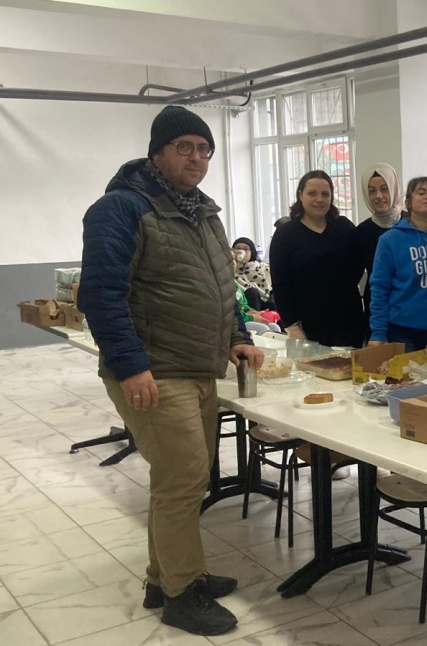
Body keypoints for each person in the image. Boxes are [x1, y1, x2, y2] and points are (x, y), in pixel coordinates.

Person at [77, 105, 262, 636]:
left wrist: (239, 338)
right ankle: (184, 594)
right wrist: (131, 366)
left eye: (205, 150)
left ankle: (165, 578)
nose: (197, 158)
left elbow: (221, 288)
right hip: (155, 369)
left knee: (183, 478)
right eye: (185, 147)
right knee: (184, 479)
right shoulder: (120, 208)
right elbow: (101, 295)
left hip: (198, 367)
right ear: (157, 151)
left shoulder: (203, 212)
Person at [269, 171, 366, 348]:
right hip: (306, 327)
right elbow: (281, 284)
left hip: (348, 322)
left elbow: (358, 266)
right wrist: (293, 327)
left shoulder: (344, 228)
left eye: (325, 194)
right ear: (300, 195)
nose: (319, 199)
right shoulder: (286, 234)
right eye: (312, 193)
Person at [369, 176, 427, 362]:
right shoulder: (390, 240)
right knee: (406, 387)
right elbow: (379, 288)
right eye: (421, 192)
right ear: (408, 202)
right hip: (403, 330)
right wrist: (378, 333)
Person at [357, 163, 402, 332]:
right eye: (371, 190)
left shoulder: (411, 224)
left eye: (385, 189)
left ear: (394, 188)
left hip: (411, 315)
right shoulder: (361, 233)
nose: (378, 196)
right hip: (377, 315)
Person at [231, 236, 272, 310]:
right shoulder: (231, 270)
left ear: (252, 252)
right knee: (252, 292)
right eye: (238, 248)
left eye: (245, 249)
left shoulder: (264, 268)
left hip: (267, 303)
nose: (241, 251)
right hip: (246, 305)